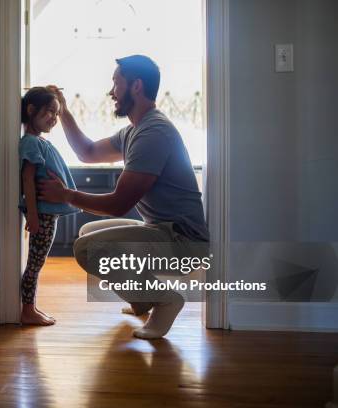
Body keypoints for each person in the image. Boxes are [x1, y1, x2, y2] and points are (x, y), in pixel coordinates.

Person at [38, 55, 209, 339]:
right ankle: (142, 299)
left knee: (87, 248)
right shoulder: (134, 131)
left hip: (184, 243)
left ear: (136, 86)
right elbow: (88, 152)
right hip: (162, 231)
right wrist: (64, 112)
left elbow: (119, 204)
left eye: (117, 83)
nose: (112, 92)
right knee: (89, 232)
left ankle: (166, 300)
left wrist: (66, 194)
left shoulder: (153, 133)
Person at [19, 86, 79, 326]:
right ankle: (27, 310)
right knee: (36, 263)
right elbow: (27, 179)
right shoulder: (31, 142)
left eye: (57, 113)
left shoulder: (38, 141)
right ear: (31, 110)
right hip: (42, 214)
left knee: (37, 261)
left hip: (46, 213)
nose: (54, 118)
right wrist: (32, 215)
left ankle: (31, 306)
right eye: (49, 112)